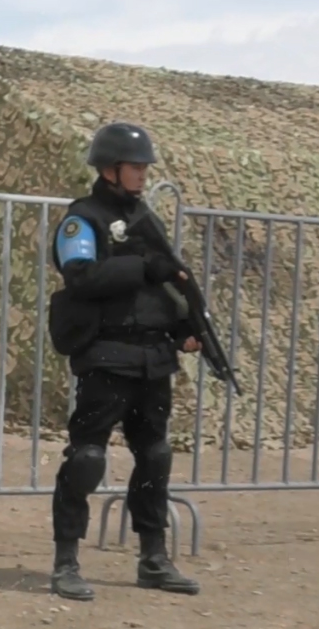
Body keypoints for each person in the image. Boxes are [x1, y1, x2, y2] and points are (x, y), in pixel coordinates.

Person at [45, 121, 202, 601]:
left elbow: (167, 281)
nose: (142, 174)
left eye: (144, 167)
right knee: (87, 458)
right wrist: (140, 266)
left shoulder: (145, 218)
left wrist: (185, 327)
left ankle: (153, 558)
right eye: (135, 167)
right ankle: (66, 562)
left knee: (155, 456)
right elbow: (80, 275)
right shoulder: (82, 219)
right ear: (110, 169)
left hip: (153, 357)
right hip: (107, 354)